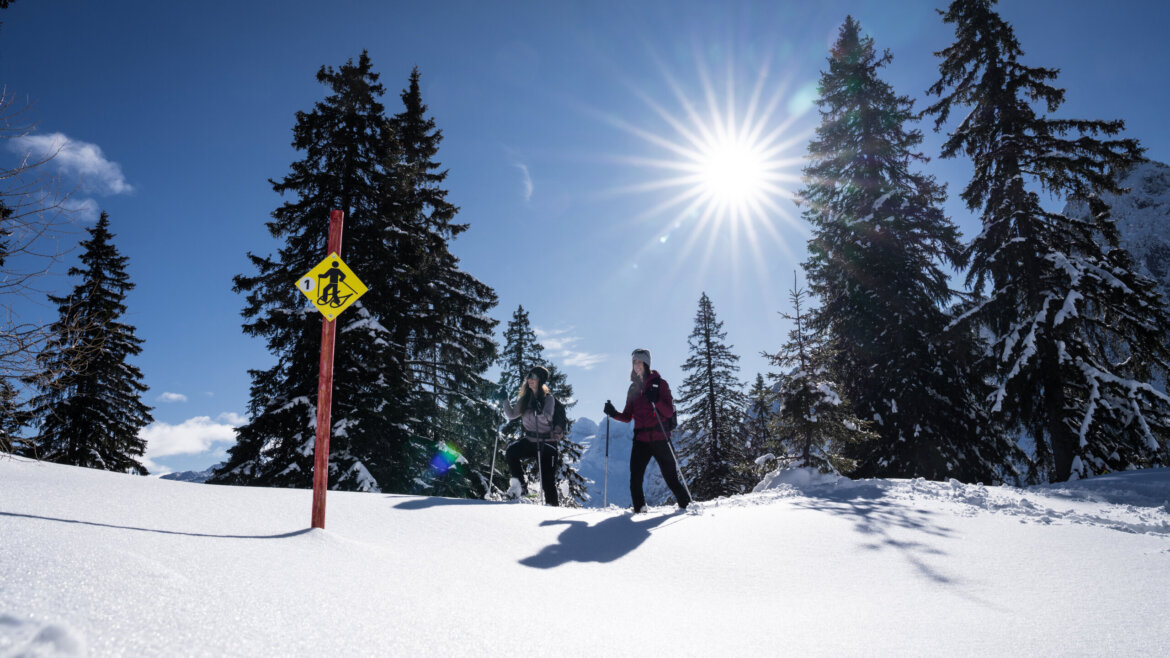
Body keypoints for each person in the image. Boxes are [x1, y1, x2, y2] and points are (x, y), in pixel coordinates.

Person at [603, 349, 691, 513]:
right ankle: (640, 510)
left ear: (646, 363)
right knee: (635, 478)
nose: (636, 365)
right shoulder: (633, 388)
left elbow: (669, 412)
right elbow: (628, 416)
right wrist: (613, 413)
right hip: (641, 440)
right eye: (634, 362)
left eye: (639, 362)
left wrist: (656, 400)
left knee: (671, 478)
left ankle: (686, 506)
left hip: (660, 437)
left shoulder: (660, 384)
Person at [501, 366, 561, 506]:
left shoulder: (548, 399)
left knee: (547, 481)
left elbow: (547, 418)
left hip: (547, 443)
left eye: (533, 377)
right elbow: (512, 415)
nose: (530, 379)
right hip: (530, 441)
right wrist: (505, 400)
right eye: (529, 376)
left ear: (541, 380)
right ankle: (521, 487)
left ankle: (553, 508)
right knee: (511, 452)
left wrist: (538, 410)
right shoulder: (525, 399)